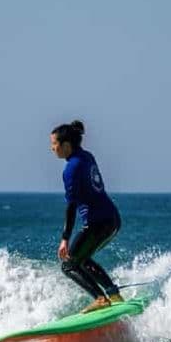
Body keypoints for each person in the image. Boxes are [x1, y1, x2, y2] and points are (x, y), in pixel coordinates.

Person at [51, 120, 124, 313]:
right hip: (113, 219)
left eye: (54, 144)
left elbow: (71, 205)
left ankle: (101, 299)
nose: (52, 149)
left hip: (97, 223)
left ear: (66, 145)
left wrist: (65, 239)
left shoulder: (71, 169)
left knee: (68, 265)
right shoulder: (87, 156)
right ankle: (113, 294)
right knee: (82, 259)